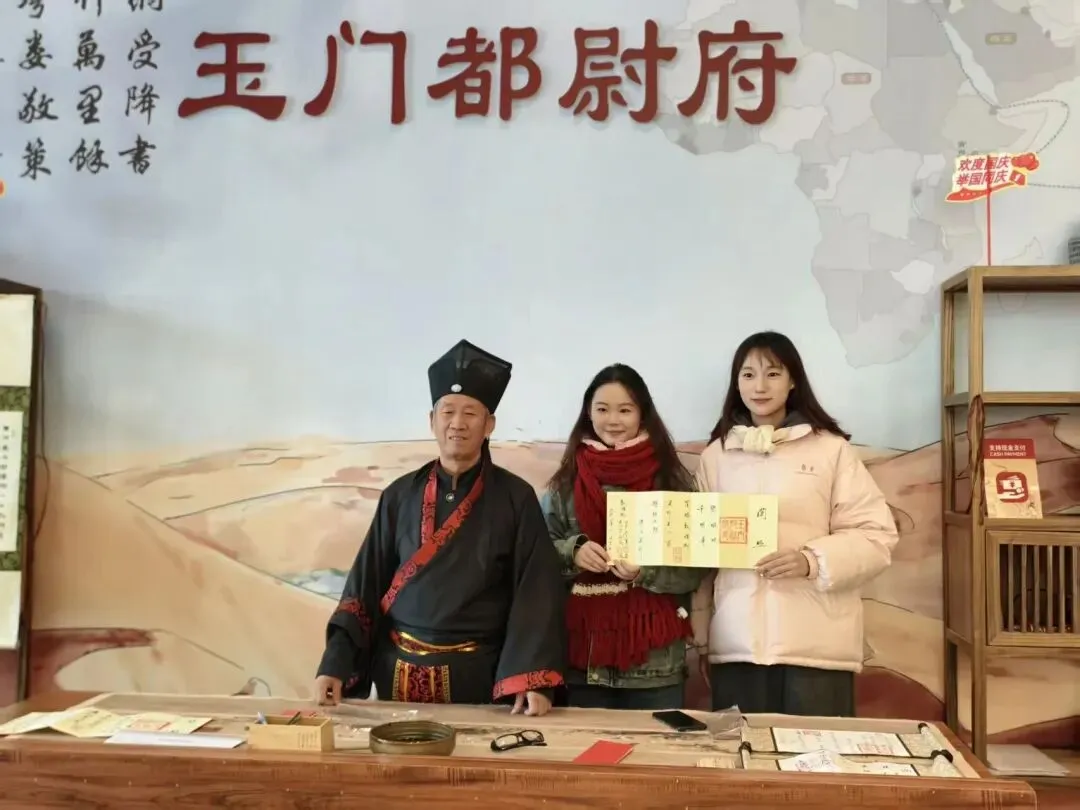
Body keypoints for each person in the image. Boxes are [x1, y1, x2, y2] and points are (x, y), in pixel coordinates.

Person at [314, 339, 566, 716]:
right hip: (397, 674)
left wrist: (532, 679)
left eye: (470, 413)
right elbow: (364, 585)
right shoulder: (398, 495)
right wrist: (335, 662)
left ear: (489, 424)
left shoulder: (516, 498)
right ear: (432, 420)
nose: (457, 423)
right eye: (448, 411)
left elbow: (536, 595)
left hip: (477, 675)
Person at [692, 331, 898, 716]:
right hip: (737, 645)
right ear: (736, 384)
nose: (760, 386)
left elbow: (876, 536)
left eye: (773, 373)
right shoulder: (716, 456)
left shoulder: (831, 450)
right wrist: (703, 639)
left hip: (816, 646)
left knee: (816, 750)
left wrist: (811, 560)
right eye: (748, 375)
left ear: (792, 381)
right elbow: (701, 559)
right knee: (742, 751)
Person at [541, 364, 704, 710]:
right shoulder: (566, 483)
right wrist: (573, 551)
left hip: (656, 664)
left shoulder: (672, 481)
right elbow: (533, 555)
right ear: (588, 413)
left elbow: (697, 566)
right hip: (582, 661)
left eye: (625, 410)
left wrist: (645, 572)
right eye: (602, 409)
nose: (613, 420)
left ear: (643, 414)